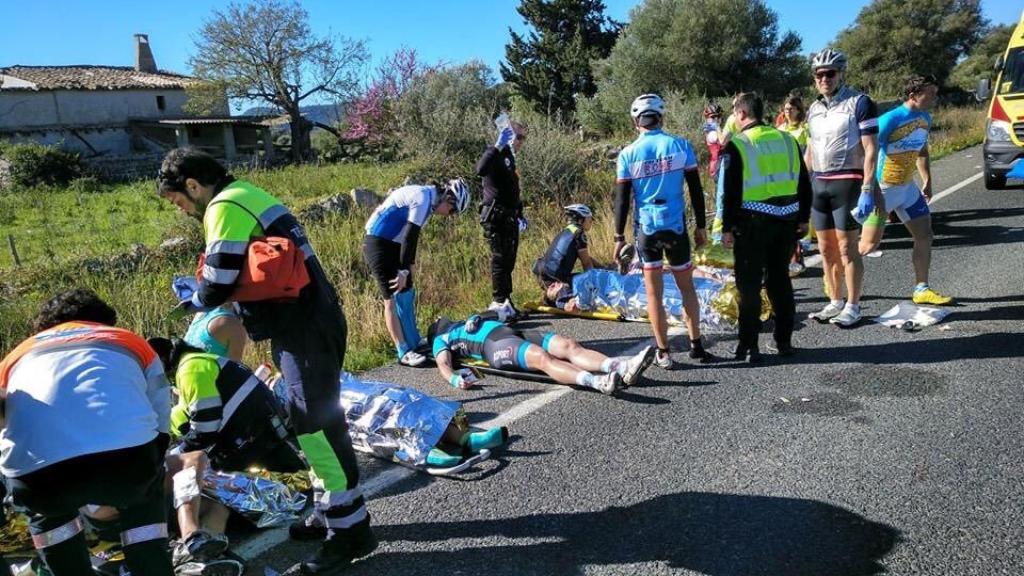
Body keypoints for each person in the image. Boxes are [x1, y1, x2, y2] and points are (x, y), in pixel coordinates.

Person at [156, 148, 374, 575]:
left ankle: (350, 533)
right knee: (313, 421)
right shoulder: (247, 195)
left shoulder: (224, 205)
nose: (181, 210)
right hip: (308, 323)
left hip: (303, 329)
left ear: (193, 186)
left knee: (316, 427)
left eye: (178, 201)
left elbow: (218, 282)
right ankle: (338, 515)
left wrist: (191, 300)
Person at [0, 289, 175, 576]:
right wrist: (154, 460)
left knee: (51, 521)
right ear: (103, 321)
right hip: (126, 462)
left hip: (39, 476)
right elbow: (160, 411)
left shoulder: (13, 358)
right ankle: (151, 565)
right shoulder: (129, 341)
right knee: (142, 506)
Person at [613, 93, 710, 369]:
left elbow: (621, 200)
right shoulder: (680, 145)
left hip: (647, 229)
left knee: (654, 293)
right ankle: (696, 346)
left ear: (636, 121)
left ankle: (664, 352)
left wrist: (618, 237)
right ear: (661, 117)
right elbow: (695, 190)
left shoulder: (628, 153)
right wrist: (701, 226)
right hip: (676, 227)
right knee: (686, 287)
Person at [719, 93, 813, 362]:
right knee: (780, 280)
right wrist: (803, 218)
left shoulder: (739, 144)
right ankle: (783, 341)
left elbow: (731, 192)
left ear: (740, 114)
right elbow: (803, 183)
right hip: (786, 222)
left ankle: (749, 345)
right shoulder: (787, 140)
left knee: (748, 286)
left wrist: (727, 228)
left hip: (752, 223)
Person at [805, 48, 884, 327]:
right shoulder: (813, 109)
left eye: (830, 73)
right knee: (825, 250)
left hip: (848, 182)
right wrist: (803, 186)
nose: (824, 78)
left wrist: (867, 188)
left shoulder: (860, 102)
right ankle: (835, 300)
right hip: (820, 183)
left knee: (847, 248)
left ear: (840, 74)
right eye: (819, 74)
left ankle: (853, 305)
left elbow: (871, 149)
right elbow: (810, 151)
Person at [858, 75, 953, 305]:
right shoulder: (890, 119)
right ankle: (837, 272)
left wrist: (927, 180)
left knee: (925, 235)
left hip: (907, 188)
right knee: (869, 245)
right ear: (913, 95)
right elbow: (866, 152)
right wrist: (867, 188)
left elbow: (921, 150)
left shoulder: (925, 118)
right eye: (930, 93)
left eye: (935, 93)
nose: (934, 98)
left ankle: (922, 289)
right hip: (884, 189)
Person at [148, 337, 306, 474]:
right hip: (264, 433)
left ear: (161, 361)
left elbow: (205, 427)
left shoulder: (189, 369)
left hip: (253, 441)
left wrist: (178, 453)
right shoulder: (196, 361)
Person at [363, 179, 471, 366]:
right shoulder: (422, 198)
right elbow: (409, 236)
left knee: (407, 292)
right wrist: (403, 270)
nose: (449, 216)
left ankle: (413, 341)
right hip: (377, 244)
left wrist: (409, 266)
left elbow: (411, 239)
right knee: (390, 298)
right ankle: (403, 351)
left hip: (393, 244)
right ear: (448, 198)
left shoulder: (430, 201)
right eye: (453, 211)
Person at [428, 311, 657, 395]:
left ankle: (621, 367)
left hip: (510, 331)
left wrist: (485, 314)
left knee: (568, 345)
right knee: (542, 358)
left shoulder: (463, 321)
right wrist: (456, 379)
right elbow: (443, 365)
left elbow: (498, 313)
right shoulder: (442, 338)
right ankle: (597, 382)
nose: (442, 319)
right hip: (493, 346)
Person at [476, 119, 528, 320]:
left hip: (509, 217)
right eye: (519, 137)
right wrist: (497, 145)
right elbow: (480, 169)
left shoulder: (510, 158)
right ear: (508, 135)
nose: (521, 141)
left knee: (509, 262)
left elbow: (513, 191)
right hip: (496, 217)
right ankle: (498, 304)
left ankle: (507, 304)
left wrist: (520, 214)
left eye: (523, 137)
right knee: (499, 261)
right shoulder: (495, 153)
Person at [532, 204, 597, 310]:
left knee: (578, 279)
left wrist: (604, 267)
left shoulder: (568, 230)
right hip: (555, 276)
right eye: (590, 219)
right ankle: (563, 301)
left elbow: (587, 258)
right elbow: (586, 264)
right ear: (581, 220)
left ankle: (551, 297)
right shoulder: (579, 234)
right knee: (583, 290)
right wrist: (593, 285)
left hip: (542, 271)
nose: (591, 221)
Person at [775, 94, 812, 277]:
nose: (788, 112)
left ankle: (798, 258)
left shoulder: (804, 130)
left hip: (801, 175)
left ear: (799, 110)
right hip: (784, 179)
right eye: (786, 109)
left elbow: (809, 154)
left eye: (792, 109)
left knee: (799, 217)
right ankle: (791, 257)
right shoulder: (780, 129)